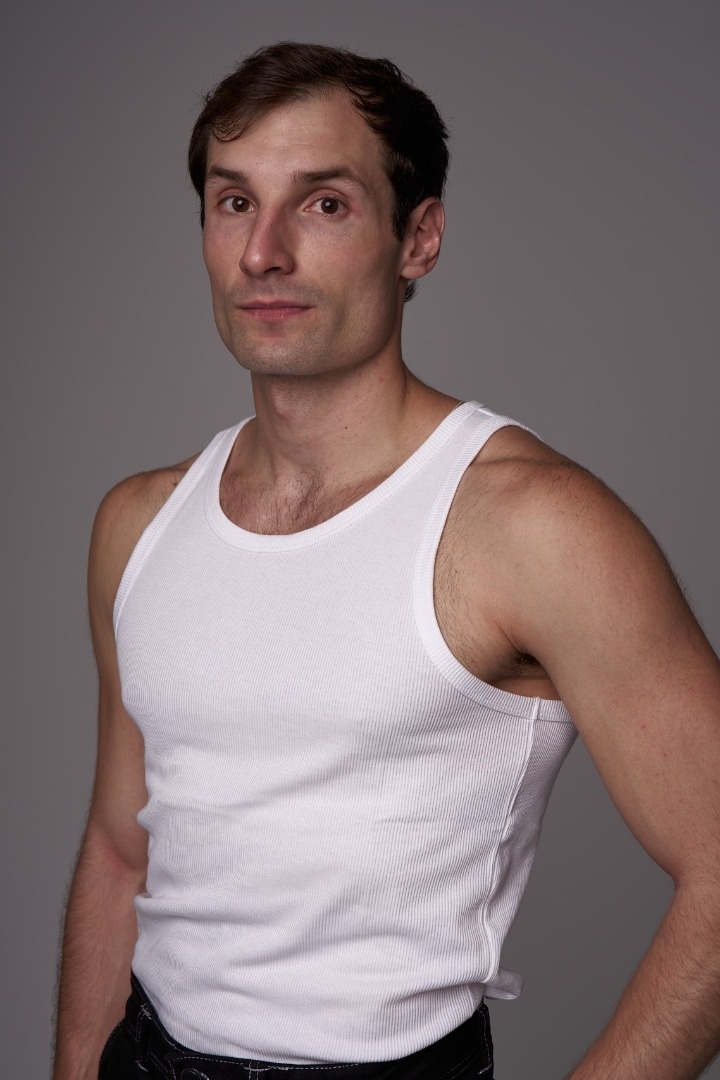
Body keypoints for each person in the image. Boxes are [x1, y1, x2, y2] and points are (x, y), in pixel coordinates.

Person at [53, 42, 720, 1080]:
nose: (263, 252)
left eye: (323, 205)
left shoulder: (532, 525)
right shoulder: (136, 525)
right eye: (235, 203)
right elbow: (117, 848)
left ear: (419, 238)